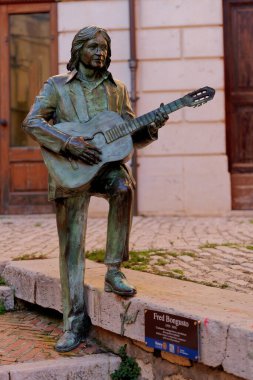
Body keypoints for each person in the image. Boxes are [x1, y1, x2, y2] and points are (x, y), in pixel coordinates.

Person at [22, 26, 168, 352]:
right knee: (72, 248)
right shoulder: (57, 86)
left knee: (123, 186)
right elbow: (32, 122)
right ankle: (73, 324)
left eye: (104, 47)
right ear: (79, 50)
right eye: (93, 46)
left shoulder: (118, 89)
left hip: (104, 168)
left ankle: (114, 269)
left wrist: (151, 128)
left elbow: (129, 134)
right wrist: (69, 143)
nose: (100, 53)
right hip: (69, 170)